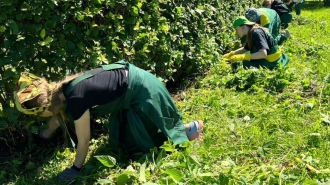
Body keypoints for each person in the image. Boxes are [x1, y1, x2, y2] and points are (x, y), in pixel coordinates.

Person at [13, 60, 204, 181]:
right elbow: (56, 118)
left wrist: (76, 168)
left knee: (142, 148)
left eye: (38, 115)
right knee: (124, 142)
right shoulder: (63, 89)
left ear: (47, 107)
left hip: (144, 93)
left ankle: (190, 130)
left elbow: (84, 139)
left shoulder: (76, 99)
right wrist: (44, 135)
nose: (40, 118)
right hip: (137, 85)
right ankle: (183, 129)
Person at [223, 16, 290, 69]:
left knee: (238, 64)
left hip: (271, 62)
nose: (236, 33)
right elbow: (245, 49)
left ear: (243, 27)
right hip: (269, 58)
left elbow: (263, 54)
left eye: (236, 30)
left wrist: (242, 57)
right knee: (245, 56)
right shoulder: (252, 31)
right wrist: (231, 53)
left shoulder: (256, 33)